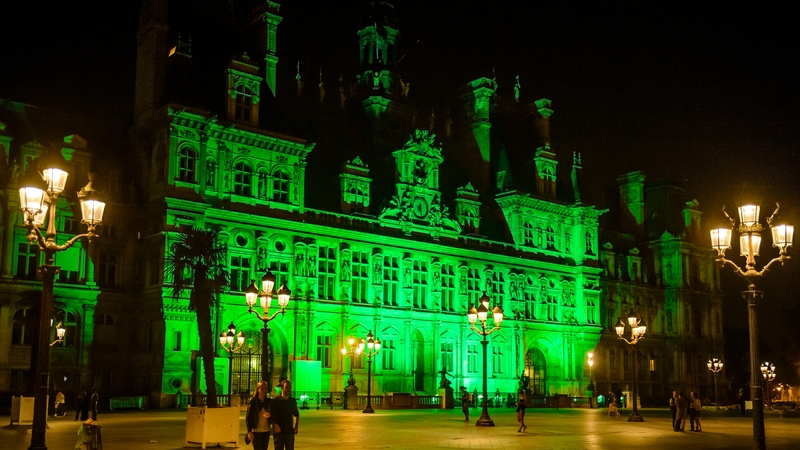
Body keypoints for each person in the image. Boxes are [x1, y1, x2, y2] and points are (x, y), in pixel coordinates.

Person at [271, 379, 300, 450]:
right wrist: (274, 425)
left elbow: (296, 414)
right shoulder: (275, 401)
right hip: (279, 432)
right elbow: (271, 416)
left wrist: (296, 426)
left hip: (289, 431)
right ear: (282, 388)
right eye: (286, 387)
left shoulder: (292, 401)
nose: (289, 389)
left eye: (290, 387)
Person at [245, 381, 271, 450]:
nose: (264, 390)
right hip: (256, 431)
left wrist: (269, 415)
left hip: (266, 430)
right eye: (262, 388)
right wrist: (249, 431)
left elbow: (273, 413)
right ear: (257, 389)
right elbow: (248, 417)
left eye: (266, 389)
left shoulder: (268, 401)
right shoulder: (253, 401)